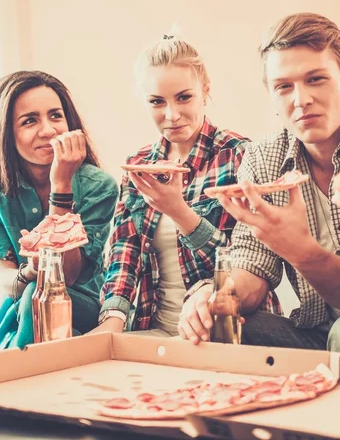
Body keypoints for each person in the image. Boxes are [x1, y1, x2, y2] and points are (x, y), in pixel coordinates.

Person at [178, 12, 340, 380]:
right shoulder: (262, 158)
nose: (301, 99)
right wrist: (215, 297)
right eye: (283, 86)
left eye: (315, 79)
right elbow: (251, 266)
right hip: (312, 333)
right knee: (220, 326)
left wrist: (301, 250)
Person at [93, 33, 248, 336]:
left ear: (205, 91)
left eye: (183, 97)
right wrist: (111, 324)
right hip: (154, 329)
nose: (171, 115)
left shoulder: (238, 155)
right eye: (157, 102)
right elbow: (124, 252)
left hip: (222, 330)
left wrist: (179, 212)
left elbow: (244, 265)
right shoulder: (138, 164)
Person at [0, 70, 118, 350]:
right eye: (29, 121)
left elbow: (68, 276)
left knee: (39, 295)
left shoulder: (99, 186)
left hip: (85, 306)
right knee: (32, 297)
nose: (48, 130)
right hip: (19, 307)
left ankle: (14, 373)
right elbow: (4, 279)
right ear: (4, 132)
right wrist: (28, 272)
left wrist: (61, 184)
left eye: (55, 116)